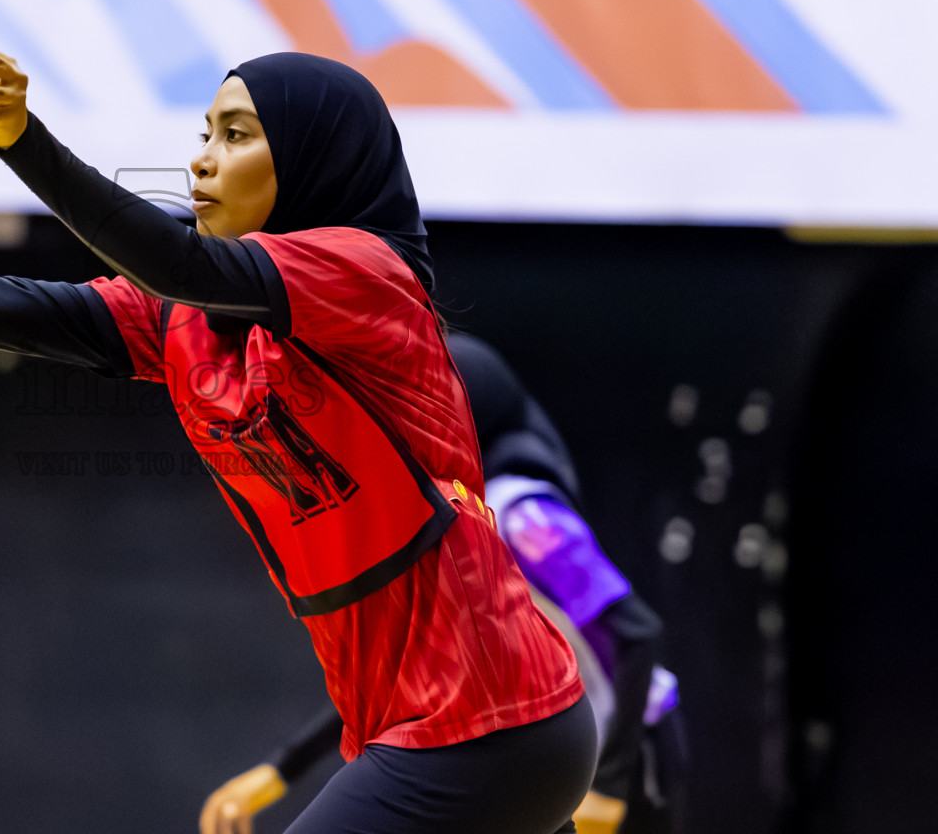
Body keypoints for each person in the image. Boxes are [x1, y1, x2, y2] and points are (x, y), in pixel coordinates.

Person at [0, 44, 597, 833]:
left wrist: (22, 139)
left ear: (312, 159)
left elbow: (176, 258)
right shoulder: (184, 318)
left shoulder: (368, 275)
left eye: (236, 135)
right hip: (418, 723)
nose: (202, 159)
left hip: (487, 721)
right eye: (205, 133)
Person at [199, 333, 686, 834]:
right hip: (547, 751)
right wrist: (284, 767)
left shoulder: (521, 517)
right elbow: (415, 681)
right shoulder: (452, 519)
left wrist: (610, 785)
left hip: (629, 748)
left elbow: (637, 634)